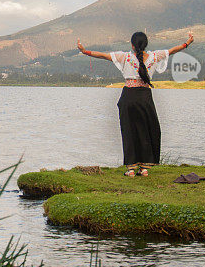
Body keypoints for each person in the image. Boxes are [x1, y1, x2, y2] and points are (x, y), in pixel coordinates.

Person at [77, 31, 194, 176]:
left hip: (128, 96)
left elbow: (102, 55)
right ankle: (144, 168)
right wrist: (187, 43)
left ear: (132, 45)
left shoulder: (125, 57)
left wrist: (84, 51)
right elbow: (173, 50)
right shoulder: (154, 56)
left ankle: (131, 169)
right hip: (145, 97)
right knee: (147, 129)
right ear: (145, 44)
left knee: (129, 130)